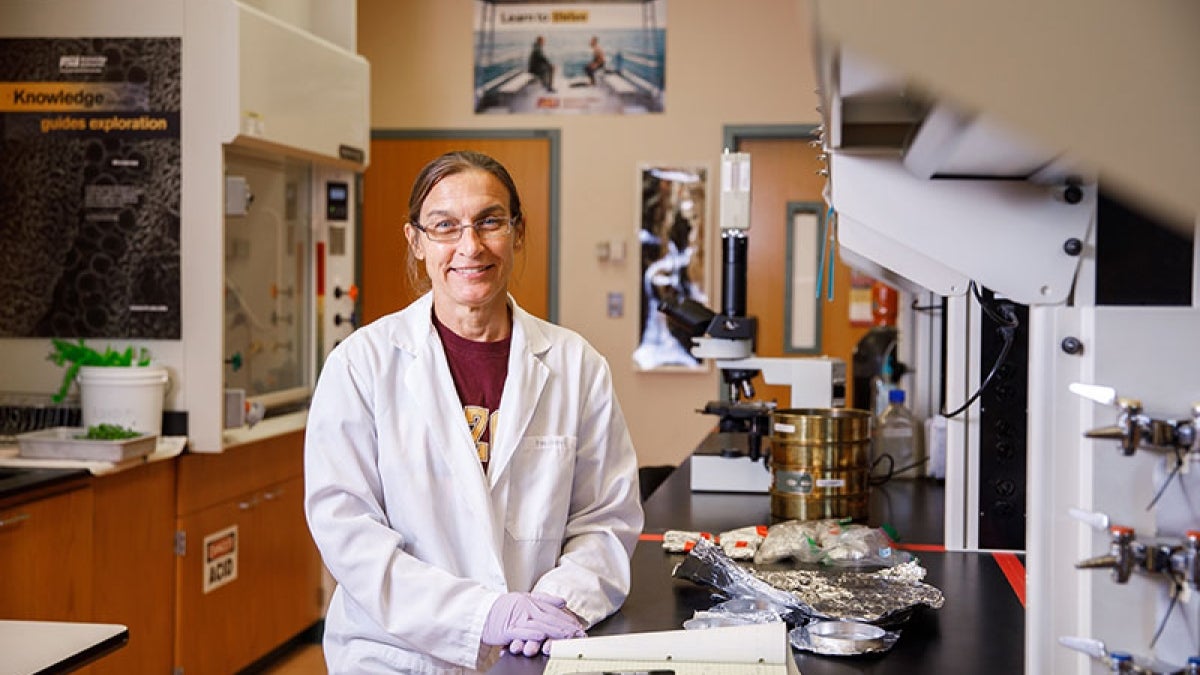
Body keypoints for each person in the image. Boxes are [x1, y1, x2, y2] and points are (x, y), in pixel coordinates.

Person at [304, 150, 644, 674]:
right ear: (416, 241)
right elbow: (348, 532)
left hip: (533, 651)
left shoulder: (578, 366)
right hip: (396, 657)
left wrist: (555, 603)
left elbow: (605, 519)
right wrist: (481, 613)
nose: (471, 246)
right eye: (445, 226)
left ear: (517, 232)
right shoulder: (362, 365)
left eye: (490, 222)